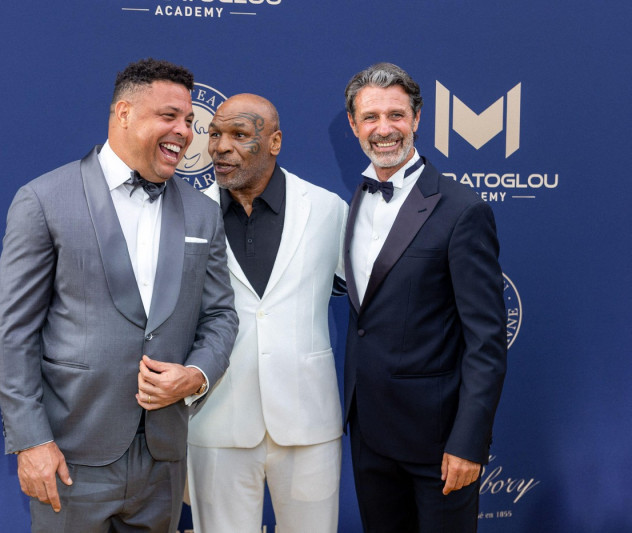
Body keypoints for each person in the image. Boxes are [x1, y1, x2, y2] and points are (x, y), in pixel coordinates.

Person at [0, 58, 238, 533]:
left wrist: (196, 374)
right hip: (70, 455)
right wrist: (30, 441)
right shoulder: (44, 200)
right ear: (124, 113)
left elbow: (221, 315)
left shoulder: (202, 212)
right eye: (169, 116)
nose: (184, 132)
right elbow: (13, 334)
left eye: (189, 120)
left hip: (163, 458)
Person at [342, 62, 507, 532]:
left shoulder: (463, 210)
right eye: (370, 117)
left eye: (396, 115)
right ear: (354, 125)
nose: (384, 129)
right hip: (369, 434)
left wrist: (469, 442)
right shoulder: (357, 198)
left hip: (438, 442)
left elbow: (486, 341)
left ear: (416, 118)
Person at [188, 93, 347, 533]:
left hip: (309, 421)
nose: (220, 146)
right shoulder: (186, 211)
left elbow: (369, 299)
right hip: (215, 421)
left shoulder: (327, 209)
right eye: (214, 134)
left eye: (239, 134)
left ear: (274, 142)